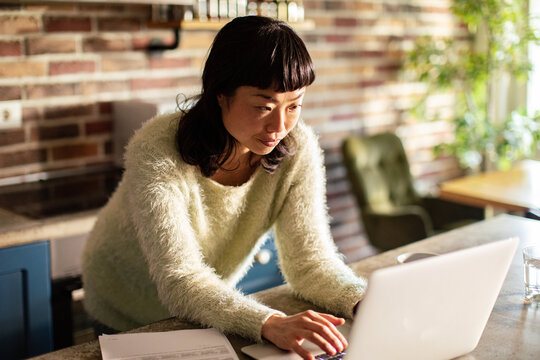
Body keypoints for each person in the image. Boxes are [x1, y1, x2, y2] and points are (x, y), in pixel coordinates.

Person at [82, 15, 367, 360]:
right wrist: (270, 321)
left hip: (199, 307)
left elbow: (310, 262)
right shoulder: (157, 147)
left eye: (294, 105)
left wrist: (362, 301)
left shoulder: (297, 147)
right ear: (220, 93)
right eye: (263, 106)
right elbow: (181, 277)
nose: (279, 126)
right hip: (124, 305)